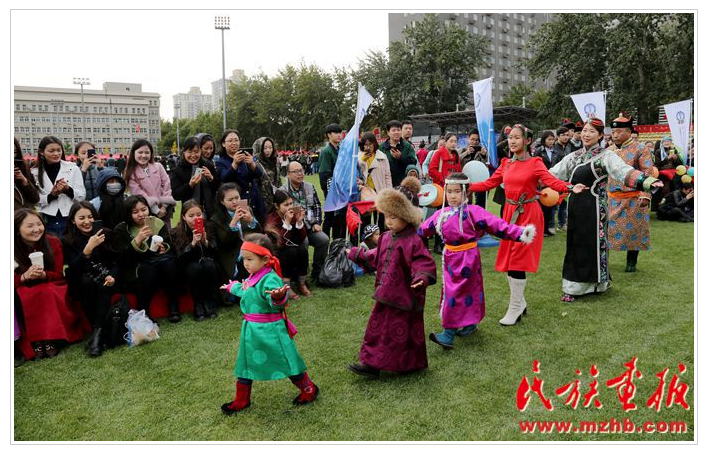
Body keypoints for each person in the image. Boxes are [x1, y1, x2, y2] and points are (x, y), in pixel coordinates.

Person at [469, 124, 580, 325]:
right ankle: (520, 303)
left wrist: (570, 187)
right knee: (509, 260)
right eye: (510, 137)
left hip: (528, 215)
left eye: (517, 137)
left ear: (527, 141)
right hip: (509, 214)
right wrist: (467, 187)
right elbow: (489, 183)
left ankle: (515, 308)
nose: (512, 141)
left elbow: (551, 181)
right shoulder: (505, 163)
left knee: (517, 261)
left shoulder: (536, 162)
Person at [549, 118, 662, 302]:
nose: (586, 134)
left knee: (595, 243)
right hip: (575, 206)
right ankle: (574, 286)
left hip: (596, 207)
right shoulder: (573, 157)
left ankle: (597, 284)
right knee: (575, 243)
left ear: (601, 135)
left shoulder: (606, 156)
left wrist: (647, 182)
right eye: (584, 131)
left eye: (592, 131)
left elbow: (624, 172)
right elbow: (552, 174)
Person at [420, 173, 536, 348]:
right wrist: (407, 231)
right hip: (450, 259)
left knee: (456, 292)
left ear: (466, 192)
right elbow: (423, 229)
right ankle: (469, 324)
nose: (452, 196)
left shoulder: (474, 212)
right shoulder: (441, 214)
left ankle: (448, 333)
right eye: (449, 192)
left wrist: (520, 233)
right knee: (461, 291)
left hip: (468, 258)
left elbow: (497, 225)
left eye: (457, 192)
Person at [347, 176, 437, 378]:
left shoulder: (414, 241)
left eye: (393, 217)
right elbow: (375, 256)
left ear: (408, 217)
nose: (388, 221)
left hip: (405, 296)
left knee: (402, 334)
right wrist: (356, 253)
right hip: (385, 293)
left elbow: (423, 263)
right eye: (386, 216)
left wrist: (420, 279)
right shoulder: (386, 237)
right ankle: (371, 364)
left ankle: (409, 364)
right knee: (376, 329)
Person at [220, 233, 319, 415]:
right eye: (244, 259)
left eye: (250, 259)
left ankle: (308, 388)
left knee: (287, 361)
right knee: (245, 363)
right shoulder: (253, 275)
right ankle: (242, 400)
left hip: (271, 331)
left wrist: (278, 297)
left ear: (265, 260)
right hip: (251, 331)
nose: (245, 263)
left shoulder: (270, 279)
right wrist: (232, 287)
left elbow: (277, 302)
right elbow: (248, 292)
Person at [14, 209, 89, 360]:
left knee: (46, 291)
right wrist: (23, 277)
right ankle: (36, 340)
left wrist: (44, 275)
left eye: (39, 224)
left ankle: (50, 338)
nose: (36, 229)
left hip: (51, 283)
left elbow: (58, 274)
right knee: (27, 294)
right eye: (30, 226)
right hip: (22, 286)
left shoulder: (52, 242)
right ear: (17, 229)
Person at [112, 195, 182, 322]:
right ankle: (144, 310)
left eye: (143, 209)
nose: (141, 214)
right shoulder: (121, 229)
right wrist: (138, 240)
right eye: (135, 212)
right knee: (147, 269)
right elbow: (122, 257)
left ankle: (173, 307)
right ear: (128, 214)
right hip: (135, 268)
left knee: (169, 264)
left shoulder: (157, 223)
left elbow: (168, 245)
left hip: (158, 263)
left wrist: (163, 247)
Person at [61, 201, 118, 357]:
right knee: (87, 281)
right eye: (81, 218)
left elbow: (116, 261)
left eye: (90, 216)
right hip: (83, 281)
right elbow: (74, 269)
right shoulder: (67, 240)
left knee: (104, 285)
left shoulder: (106, 233)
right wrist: (87, 250)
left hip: (107, 276)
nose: (87, 221)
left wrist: (112, 275)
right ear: (73, 220)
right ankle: (99, 333)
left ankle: (96, 336)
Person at [606, 113, 655, 273]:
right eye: (613, 132)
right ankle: (603, 262)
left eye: (619, 132)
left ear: (628, 132)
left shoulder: (640, 148)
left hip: (634, 198)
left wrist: (645, 195)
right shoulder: (609, 150)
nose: (615, 135)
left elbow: (647, 172)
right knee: (605, 231)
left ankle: (631, 263)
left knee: (635, 231)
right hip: (612, 198)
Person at [171, 201, 221, 321]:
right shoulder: (176, 232)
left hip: (207, 263)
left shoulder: (209, 227)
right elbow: (179, 259)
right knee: (194, 268)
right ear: (183, 217)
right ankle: (198, 305)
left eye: (199, 214)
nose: (196, 218)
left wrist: (205, 242)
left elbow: (216, 253)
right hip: (187, 266)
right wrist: (192, 244)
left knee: (209, 265)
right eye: (191, 216)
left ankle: (208, 302)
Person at [280, 161, 329, 282]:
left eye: (301, 170)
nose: (300, 173)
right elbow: (280, 214)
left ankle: (317, 272)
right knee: (304, 243)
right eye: (296, 171)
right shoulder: (282, 191)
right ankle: (301, 275)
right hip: (294, 229)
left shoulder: (310, 187)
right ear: (288, 174)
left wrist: (317, 223)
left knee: (323, 240)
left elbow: (317, 206)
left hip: (310, 226)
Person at [31, 136, 86, 237]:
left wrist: (67, 190)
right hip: (47, 218)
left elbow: (81, 196)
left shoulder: (73, 168)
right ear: (41, 152)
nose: (56, 154)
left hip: (70, 216)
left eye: (59, 150)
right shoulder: (34, 172)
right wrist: (52, 195)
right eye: (51, 151)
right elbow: (35, 199)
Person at [212, 183, 261, 285]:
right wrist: (233, 223)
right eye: (230, 200)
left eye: (237, 198)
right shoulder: (216, 219)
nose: (235, 202)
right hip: (233, 255)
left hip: (250, 250)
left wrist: (251, 221)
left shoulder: (247, 210)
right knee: (243, 264)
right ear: (222, 202)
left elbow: (259, 233)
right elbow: (225, 242)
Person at [214, 129, 266, 224]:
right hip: (238, 200)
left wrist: (252, 164)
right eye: (230, 141)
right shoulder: (220, 162)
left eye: (236, 140)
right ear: (223, 144)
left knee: (259, 224)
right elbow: (224, 178)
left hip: (254, 197)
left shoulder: (245, 156)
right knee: (244, 225)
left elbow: (259, 175)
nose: (234, 143)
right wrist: (234, 164)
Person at [265, 190, 311, 299]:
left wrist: (299, 222)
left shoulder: (292, 215)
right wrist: (286, 223)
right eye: (286, 205)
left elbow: (301, 239)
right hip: (276, 250)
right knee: (290, 252)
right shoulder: (272, 219)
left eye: (291, 203)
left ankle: (301, 283)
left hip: (290, 246)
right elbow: (280, 243)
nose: (290, 207)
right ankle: (286, 286)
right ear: (277, 206)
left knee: (302, 249)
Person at [123, 139, 177, 228]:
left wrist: (164, 206)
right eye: (140, 152)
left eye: (147, 152)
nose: (144, 155)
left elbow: (167, 185)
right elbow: (139, 194)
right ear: (133, 153)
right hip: (146, 212)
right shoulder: (130, 172)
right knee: (151, 233)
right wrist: (156, 210)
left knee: (166, 232)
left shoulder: (158, 167)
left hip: (165, 209)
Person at [169, 136, 220, 219]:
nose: (193, 155)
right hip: (191, 215)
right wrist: (190, 185)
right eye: (190, 152)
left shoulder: (208, 165)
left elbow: (218, 186)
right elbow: (176, 195)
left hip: (211, 212)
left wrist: (211, 178)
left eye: (196, 151)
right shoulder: (178, 170)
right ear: (184, 152)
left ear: (200, 151)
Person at [318, 123, 347, 239]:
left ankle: (337, 243)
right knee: (329, 218)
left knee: (339, 219)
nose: (339, 135)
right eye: (336, 133)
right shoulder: (326, 151)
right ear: (329, 135)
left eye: (340, 132)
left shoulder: (340, 149)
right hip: (331, 190)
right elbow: (323, 174)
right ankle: (325, 242)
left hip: (341, 190)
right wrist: (328, 193)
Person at [535, 130, 564, 236]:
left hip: (552, 181)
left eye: (552, 139)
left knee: (550, 206)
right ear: (544, 140)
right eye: (549, 139)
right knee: (541, 206)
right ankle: (540, 229)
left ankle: (547, 228)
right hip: (541, 182)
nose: (551, 141)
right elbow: (535, 166)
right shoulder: (538, 151)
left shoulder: (557, 152)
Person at [379, 120, 417, 187]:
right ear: (388, 132)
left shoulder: (407, 146)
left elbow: (413, 162)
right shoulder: (382, 147)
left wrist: (400, 157)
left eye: (398, 130)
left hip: (404, 183)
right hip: (386, 183)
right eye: (393, 130)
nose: (396, 132)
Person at [252, 136, 281, 219]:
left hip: (275, 199)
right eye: (265, 148)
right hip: (261, 200)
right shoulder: (254, 164)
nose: (268, 150)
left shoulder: (276, 162)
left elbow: (278, 179)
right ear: (259, 149)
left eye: (270, 147)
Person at [14, 138, 39, 210]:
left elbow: (35, 198)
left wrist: (24, 180)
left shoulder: (23, 166)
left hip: (26, 213)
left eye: (15, 152)